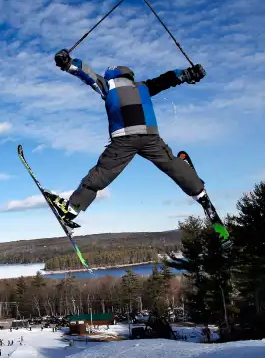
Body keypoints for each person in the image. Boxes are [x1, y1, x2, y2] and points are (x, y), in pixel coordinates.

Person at [48, 49, 228, 242]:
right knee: (173, 165)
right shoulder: (143, 87)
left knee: (102, 174)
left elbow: (86, 73)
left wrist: (67, 63)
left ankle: (72, 209)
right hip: (151, 138)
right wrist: (189, 74)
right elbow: (168, 79)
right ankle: (199, 192)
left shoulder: (108, 86)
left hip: (124, 140)